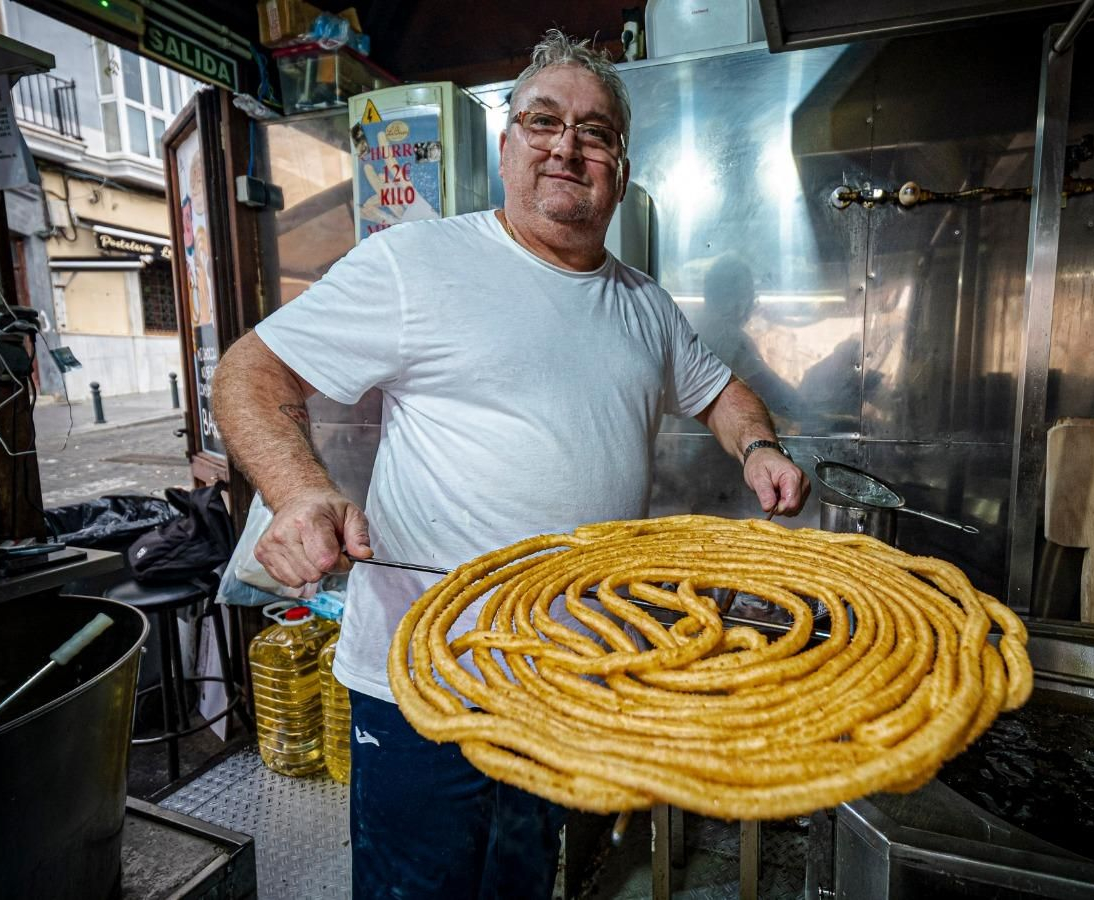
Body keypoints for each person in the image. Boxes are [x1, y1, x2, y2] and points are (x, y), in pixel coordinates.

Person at [212, 30, 809, 900]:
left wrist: (757, 445)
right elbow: (250, 374)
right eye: (543, 121)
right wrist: (301, 493)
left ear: (622, 166)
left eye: (595, 130)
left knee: (524, 883)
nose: (568, 145)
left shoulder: (642, 303)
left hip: (564, 677)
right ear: (506, 147)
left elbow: (723, 393)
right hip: (424, 679)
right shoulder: (420, 263)